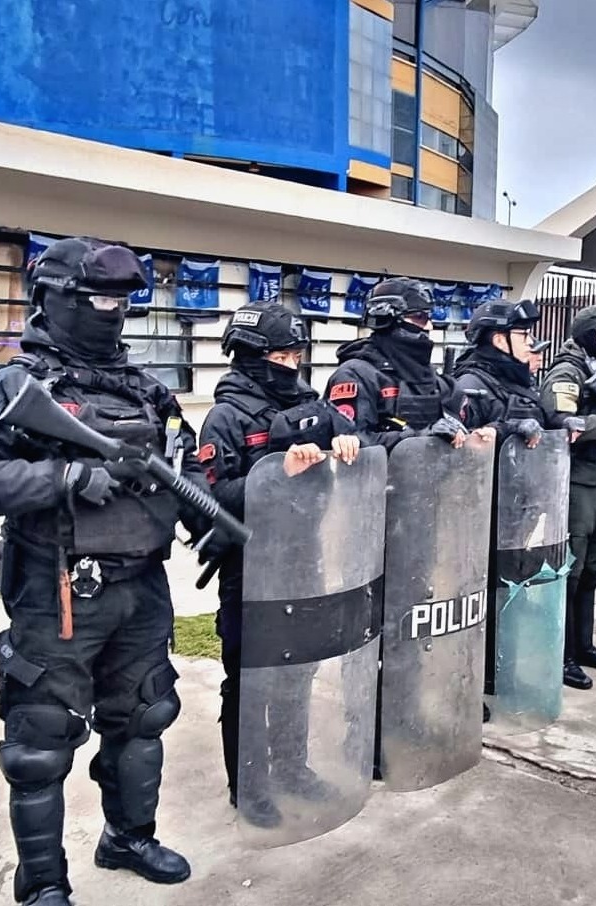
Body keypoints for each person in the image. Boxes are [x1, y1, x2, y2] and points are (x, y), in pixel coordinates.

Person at [0, 238, 209, 905]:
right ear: (51, 299)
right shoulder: (14, 385)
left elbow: (188, 467)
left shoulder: (147, 389)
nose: (109, 313)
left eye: (120, 302)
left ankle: (128, 836)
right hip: (57, 587)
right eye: (94, 300)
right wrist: (63, 477)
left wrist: (196, 488)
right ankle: (42, 884)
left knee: (145, 718)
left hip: (141, 587)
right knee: (40, 741)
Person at [197, 302, 363, 828]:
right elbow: (209, 495)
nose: (292, 363)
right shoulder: (225, 418)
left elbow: (360, 438)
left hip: (304, 557)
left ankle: (292, 769)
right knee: (251, 679)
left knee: (298, 671)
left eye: (296, 354)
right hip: (250, 567)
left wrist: (349, 439)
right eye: (281, 354)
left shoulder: (311, 405)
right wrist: (275, 473)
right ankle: (249, 785)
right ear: (250, 357)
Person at [539, 305, 596, 689]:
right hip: (574, 481)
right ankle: (559, 655)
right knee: (572, 572)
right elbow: (559, 422)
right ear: (589, 335)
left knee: (593, 567)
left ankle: (582, 646)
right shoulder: (567, 371)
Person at [324, 277, 468, 448]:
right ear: (389, 319)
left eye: (429, 317)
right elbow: (354, 443)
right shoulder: (355, 375)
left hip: (430, 471)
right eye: (419, 317)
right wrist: (416, 437)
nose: (429, 327)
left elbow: (462, 420)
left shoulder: (425, 373)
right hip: (378, 473)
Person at [454, 300, 581, 444]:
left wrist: (560, 424)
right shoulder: (471, 385)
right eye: (523, 335)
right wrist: (506, 429)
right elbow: (460, 446)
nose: (530, 342)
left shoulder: (517, 381)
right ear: (500, 340)